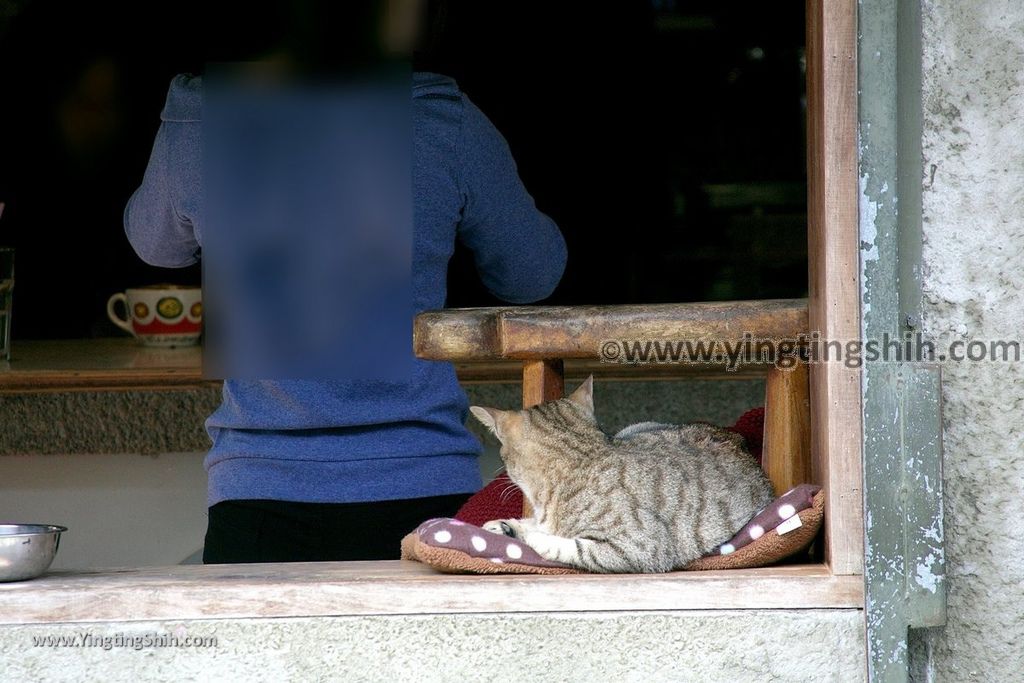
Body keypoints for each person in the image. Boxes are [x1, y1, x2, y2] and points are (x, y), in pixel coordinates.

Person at [123, 0, 566, 563]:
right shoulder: (440, 119)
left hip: (256, 487)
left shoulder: (203, 116)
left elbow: (154, 245)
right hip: (421, 483)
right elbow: (532, 274)